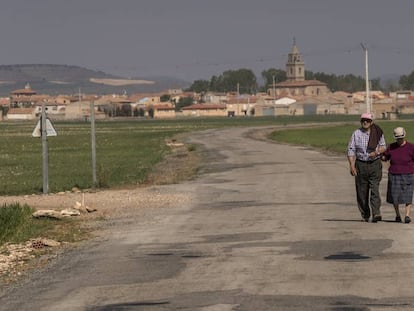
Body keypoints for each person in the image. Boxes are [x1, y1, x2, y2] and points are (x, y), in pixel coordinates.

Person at [347, 112, 386, 222]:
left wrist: (377, 152)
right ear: (361, 121)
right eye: (363, 120)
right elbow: (351, 150)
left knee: (375, 189)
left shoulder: (377, 132)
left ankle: (376, 213)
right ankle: (365, 214)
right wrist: (351, 165)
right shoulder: (356, 133)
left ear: (371, 122)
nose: (365, 122)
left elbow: (383, 146)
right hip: (361, 164)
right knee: (362, 192)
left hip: (374, 164)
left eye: (367, 120)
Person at [381, 127, 414, 223]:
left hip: (408, 174)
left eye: (401, 138)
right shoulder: (391, 147)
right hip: (394, 174)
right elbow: (385, 157)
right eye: (398, 138)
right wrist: (381, 156)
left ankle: (407, 215)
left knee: (408, 195)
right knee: (394, 196)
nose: (399, 140)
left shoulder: (411, 147)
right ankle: (397, 215)